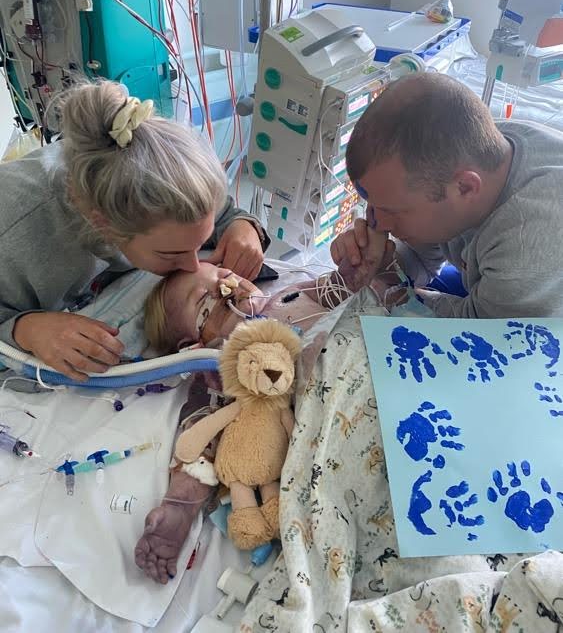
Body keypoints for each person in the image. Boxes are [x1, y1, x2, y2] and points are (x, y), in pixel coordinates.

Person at [135, 228, 388, 584]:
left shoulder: (288, 295)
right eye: (205, 303)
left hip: (378, 355)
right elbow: (200, 440)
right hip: (344, 410)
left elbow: (343, 289)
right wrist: (180, 506)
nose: (227, 288)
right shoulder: (223, 371)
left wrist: (359, 265)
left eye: (224, 277)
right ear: (193, 347)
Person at [0, 80, 267, 381]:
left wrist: (243, 226)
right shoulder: (14, 236)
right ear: (103, 224)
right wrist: (26, 330)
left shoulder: (163, 184)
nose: (195, 265)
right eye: (172, 253)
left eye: (200, 244)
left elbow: (221, 214)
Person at [331, 72, 563, 318]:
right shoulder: (468, 155)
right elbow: (425, 258)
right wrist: (384, 263)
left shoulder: (527, 247)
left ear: (464, 188)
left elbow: (480, 335)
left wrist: (390, 294)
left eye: (391, 211)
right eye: (373, 205)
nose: (376, 223)